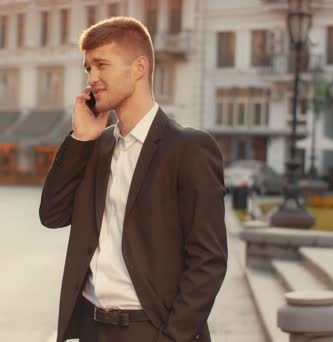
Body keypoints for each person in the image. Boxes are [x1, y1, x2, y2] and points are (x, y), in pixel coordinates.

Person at [39, 16, 228, 342]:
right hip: (91, 327)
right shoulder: (95, 148)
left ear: (139, 67)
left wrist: (173, 337)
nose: (92, 78)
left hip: (150, 329)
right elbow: (52, 215)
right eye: (88, 69)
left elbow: (209, 260)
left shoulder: (189, 148)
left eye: (101, 65)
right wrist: (81, 139)